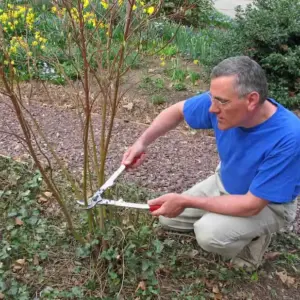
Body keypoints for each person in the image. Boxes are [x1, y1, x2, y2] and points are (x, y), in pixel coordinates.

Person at [121, 56, 300, 270]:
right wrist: (142, 142)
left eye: (221, 101)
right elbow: (177, 110)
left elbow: (252, 204)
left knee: (208, 235)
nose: (212, 109)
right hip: (224, 181)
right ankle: (223, 218)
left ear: (251, 100)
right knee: (167, 218)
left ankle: (255, 239)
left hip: (268, 204)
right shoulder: (221, 104)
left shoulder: (289, 137)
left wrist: (187, 201)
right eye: (212, 98)